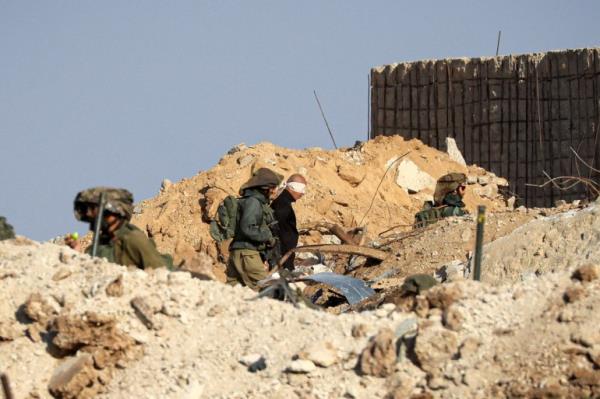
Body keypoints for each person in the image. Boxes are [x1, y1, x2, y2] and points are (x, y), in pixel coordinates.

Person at [66, 187, 169, 269]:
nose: (90, 214)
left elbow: (161, 274)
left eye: (94, 209)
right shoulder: (100, 245)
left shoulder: (134, 240)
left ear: (115, 211)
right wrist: (76, 252)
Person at [226, 168, 282, 290]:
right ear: (266, 188)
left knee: (231, 292)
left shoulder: (249, 201)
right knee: (267, 290)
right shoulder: (253, 202)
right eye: (273, 188)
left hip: (238, 253)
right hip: (247, 254)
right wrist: (267, 236)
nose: (274, 191)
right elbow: (247, 228)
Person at [270, 174, 307, 271]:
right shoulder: (283, 204)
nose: (303, 193)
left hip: (283, 257)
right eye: (302, 189)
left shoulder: (283, 202)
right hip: (280, 259)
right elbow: (275, 230)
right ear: (293, 187)